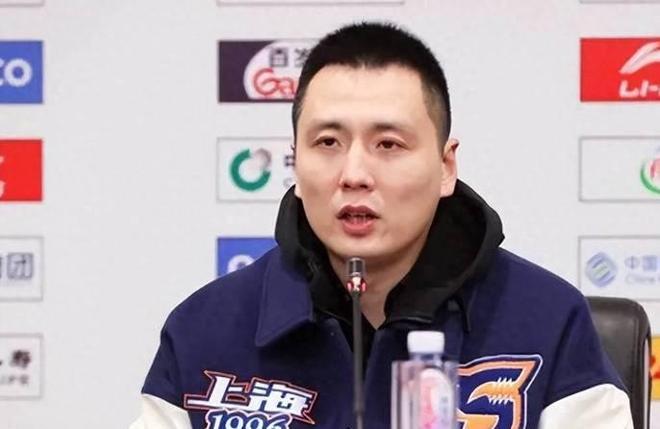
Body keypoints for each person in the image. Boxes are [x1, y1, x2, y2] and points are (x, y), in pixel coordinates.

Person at [130, 22, 633, 429]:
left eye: (388, 144)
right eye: (328, 143)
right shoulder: (205, 330)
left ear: (445, 166)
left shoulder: (548, 321)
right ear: (296, 162)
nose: (354, 174)